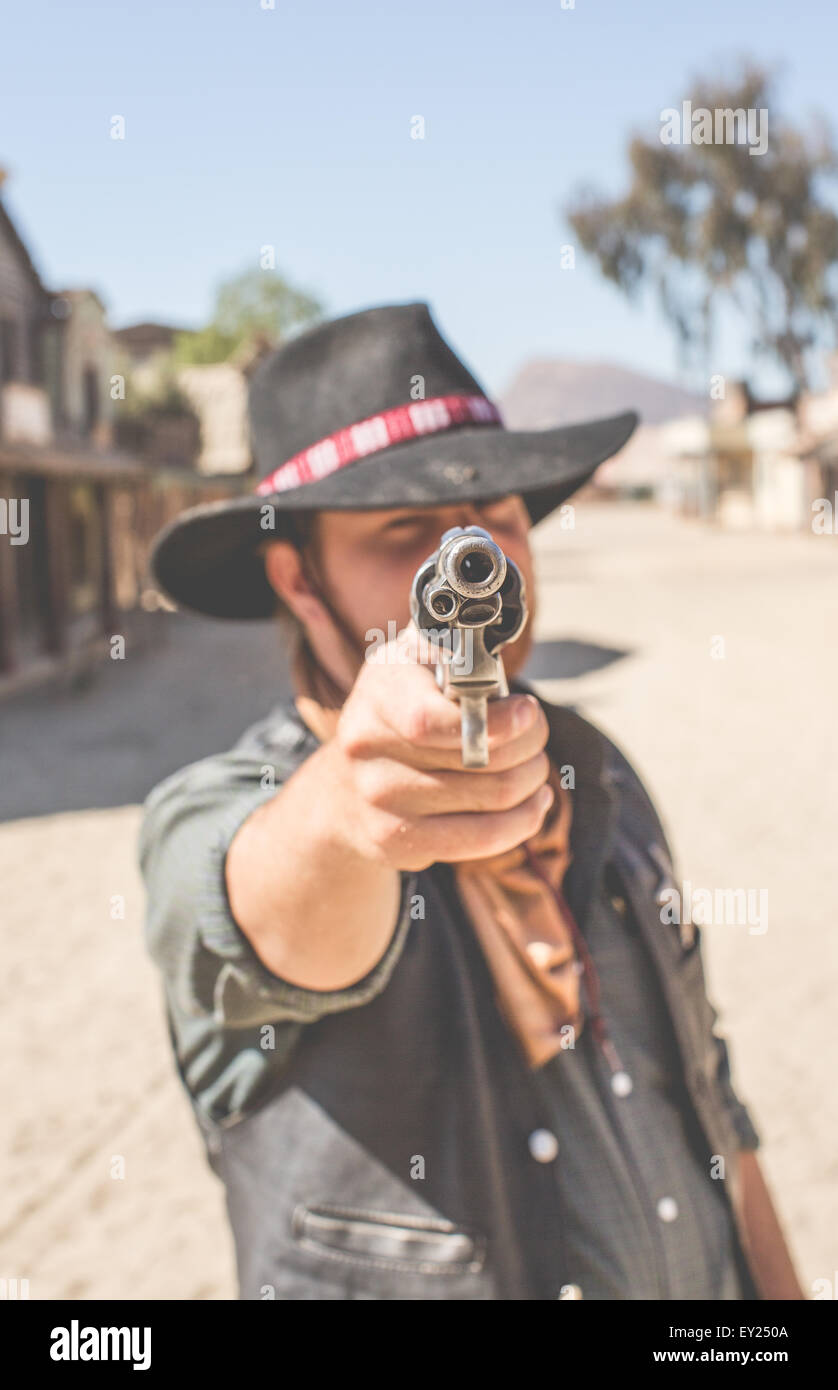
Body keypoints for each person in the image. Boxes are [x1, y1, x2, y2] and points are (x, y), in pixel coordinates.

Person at [139, 301, 803, 1301]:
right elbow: (262, 911)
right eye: (404, 530)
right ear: (298, 577)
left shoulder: (598, 772)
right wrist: (351, 815)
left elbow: (709, 1097)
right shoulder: (236, 809)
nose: (471, 556)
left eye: (496, 520)